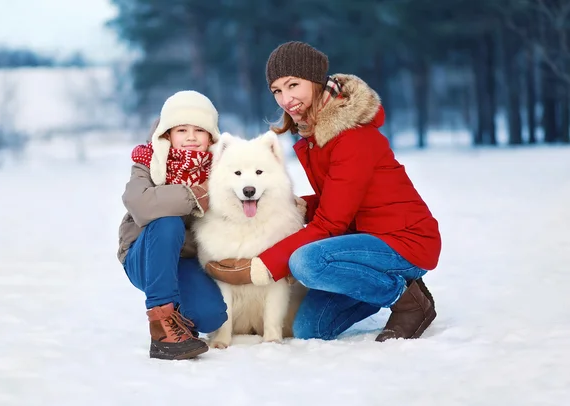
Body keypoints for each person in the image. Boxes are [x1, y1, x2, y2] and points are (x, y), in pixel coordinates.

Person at [205, 41, 441, 342]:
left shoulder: (352, 136)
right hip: (360, 243)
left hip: (404, 241)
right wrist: (292, 205)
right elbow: (341, 198)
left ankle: (408, 300)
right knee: (310, 329)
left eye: (293, 85)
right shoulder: (313, 136)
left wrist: (262, 267)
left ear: (315, 81)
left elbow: (331, 223)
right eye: (277, 90)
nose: (286, 98)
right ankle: (386, 283)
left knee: (307, 262)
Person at [117, 90, 228, 360]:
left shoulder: (223, 166)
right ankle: (162, 327)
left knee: (211, 317)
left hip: (186, 259)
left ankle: (180, 320)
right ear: (168, 134)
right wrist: (196, 195)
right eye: (182, 129)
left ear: (211, 136)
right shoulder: (148, 161)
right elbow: (141, 203)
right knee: (166, 222)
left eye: (199, 130)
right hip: (143, 255)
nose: (191, 137)